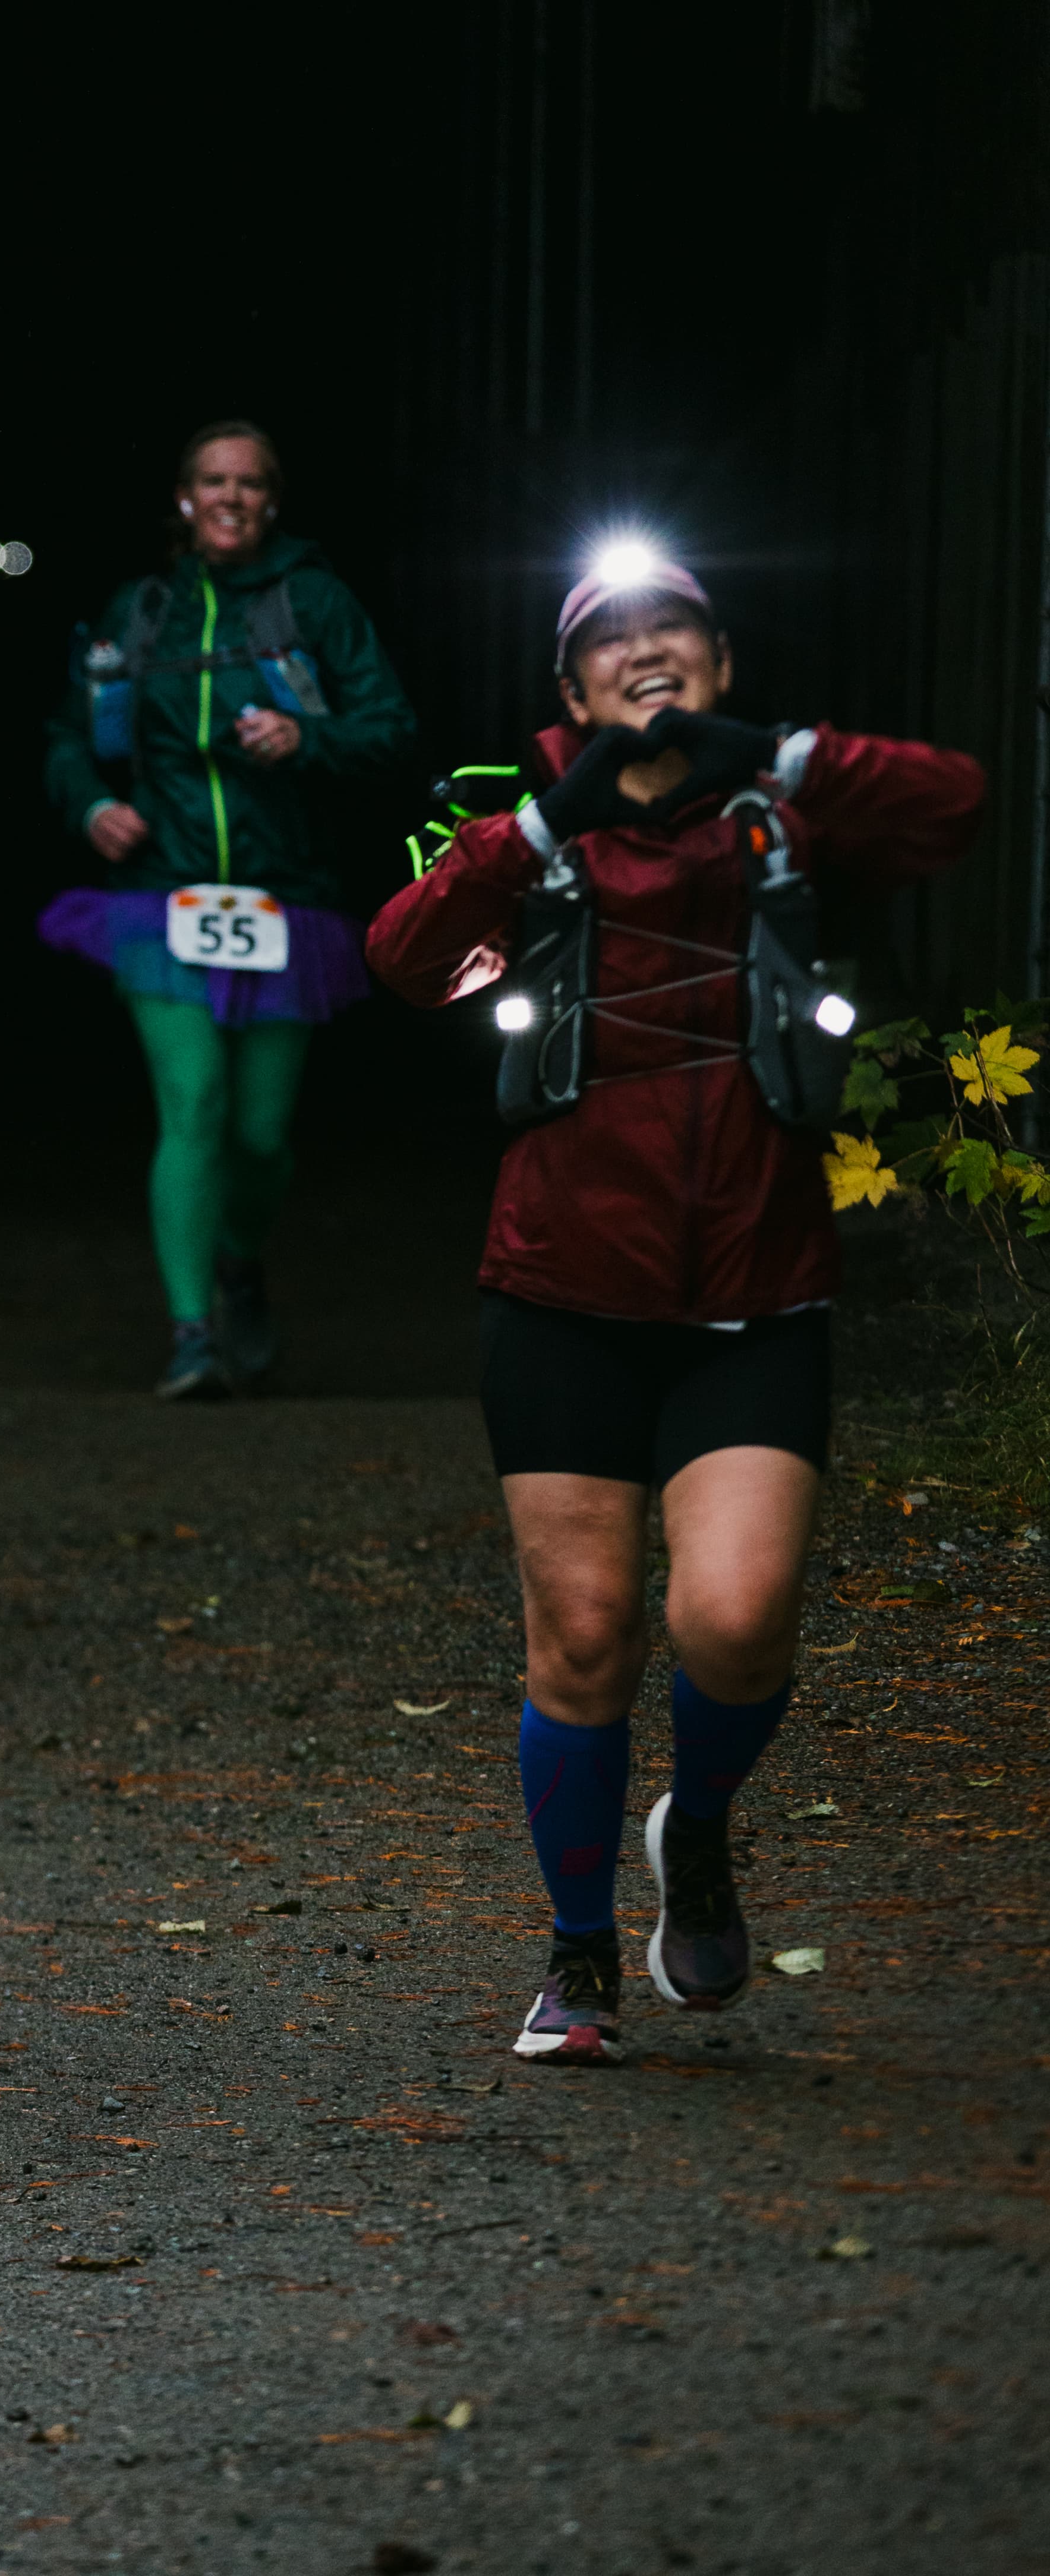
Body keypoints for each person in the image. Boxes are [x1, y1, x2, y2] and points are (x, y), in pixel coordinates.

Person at [367, 548, 983, 2062]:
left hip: (756, 1294)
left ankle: (693, 1830)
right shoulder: (537, 830)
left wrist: (773, 755)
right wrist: (533, 827)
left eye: (677, 631)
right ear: (572, 690)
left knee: (737, 1625)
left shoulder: (784, 805)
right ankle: (580, 1960)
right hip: (565, 1288)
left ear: (715, 660)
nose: (649, 653)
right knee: (582, 1635)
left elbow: (959, 802)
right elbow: (401, 957)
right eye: (613, 640)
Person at [40, 420, 414, 1396]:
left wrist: (309, 736)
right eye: (213, 481)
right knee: (193, 1104)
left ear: (273, 501)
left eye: (250, 484)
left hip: (286, 898)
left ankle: (241, 1266)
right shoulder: (144, 608)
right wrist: (91, 805)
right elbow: (70, 737)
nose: (231, 497)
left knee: (260, 1138)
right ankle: (192, 1333)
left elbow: (392, 731)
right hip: (160, 894)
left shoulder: (314, 601)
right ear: (184, 498)